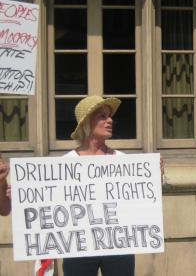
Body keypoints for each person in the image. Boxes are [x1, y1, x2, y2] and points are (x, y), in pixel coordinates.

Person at [63, 95, 165, 276]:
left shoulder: (122, 161)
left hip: (118, 245)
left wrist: (154, 178)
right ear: (87, 122)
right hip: (79, 246)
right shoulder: (66, 163)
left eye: (109, 116)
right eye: (102, 116)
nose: (110, 120)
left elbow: (142, 202)